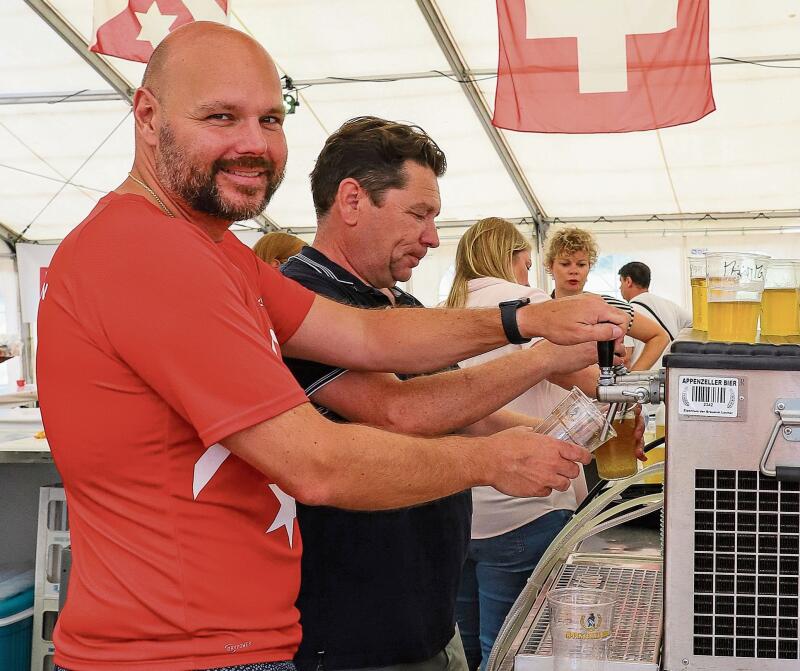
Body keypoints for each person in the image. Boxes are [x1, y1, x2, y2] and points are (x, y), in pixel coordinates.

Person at [36, 23, 631, 671]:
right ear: (148, 116)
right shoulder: (145, 251)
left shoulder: (214, 254)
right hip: (184, 653)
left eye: (270, 117)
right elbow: (318, 462)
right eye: (221, 116)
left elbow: (367, 334)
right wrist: (488, 458)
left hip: (243, 638)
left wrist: (533, 319)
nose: (253, 143)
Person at [280, 118, 631, 671]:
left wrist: (543, 436)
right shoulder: (300, 297)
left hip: (425, 616)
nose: (432, 238)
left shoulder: (402, 305)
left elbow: (456, 407)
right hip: (350, 630)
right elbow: (399, 411)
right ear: (352, 200)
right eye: (417, 215)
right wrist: (540, 347)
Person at [444, 218, 639, 669]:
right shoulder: (529, 306)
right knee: (512, 647)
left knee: (466, 644)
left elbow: (460, 408)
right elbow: (598, 384)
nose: (529, 277)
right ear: (511, 258)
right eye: (527, 265)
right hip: (527, 504)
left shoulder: (445, 311)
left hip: (460, 505)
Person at [543, 227, 670, 371]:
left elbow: (659, 336)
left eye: (581, 264)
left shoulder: (607, 306)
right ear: (550, 265)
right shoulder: (539, 310)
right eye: (565, 264)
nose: (574, 270)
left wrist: (633, 379)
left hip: (597, 391)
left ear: (589, 266)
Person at [619, 261, 692, 368]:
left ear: (628, 281)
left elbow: (625, 357)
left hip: (644, 379)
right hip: (671, 373)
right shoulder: (670, 305)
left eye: (621, 282)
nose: (619, 288)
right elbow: (695, 324)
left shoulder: (627, 312)